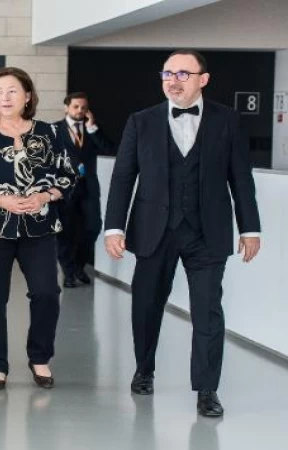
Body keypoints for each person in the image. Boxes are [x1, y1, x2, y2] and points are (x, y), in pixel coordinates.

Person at [104, 49, 261, 417]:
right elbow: (123, 177)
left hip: (208, 232)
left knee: (208, 311)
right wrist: (113, 227)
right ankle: (144, 369)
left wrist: (250, 228)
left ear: (203, 79)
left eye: (182, 74)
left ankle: (207, 390)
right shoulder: (141, 121)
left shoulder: (227, 120)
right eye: (167, 73)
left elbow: (241, 177)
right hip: (153, 230)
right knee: (146, 306)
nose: (173, 81)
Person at [0, 67, 76, 391]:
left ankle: (40, 357)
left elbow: (69, 176)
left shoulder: (50, 132)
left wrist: (45, 196)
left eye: (12, 91)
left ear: (27, 96)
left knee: (47, 293)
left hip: (40, 228)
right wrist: (0, 200)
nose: (4, 98)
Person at [53, 92, 113, 288]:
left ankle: (79, 267)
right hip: (63, 189)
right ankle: (69, 273)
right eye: (76, 106)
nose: (80, 110)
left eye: (84, 107)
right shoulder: (54, 130)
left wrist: (92, 128)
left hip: (89, 188)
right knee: (64, 232)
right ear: (66, 108)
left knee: (92, 227)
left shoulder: (92, 129)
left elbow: (109, 149)